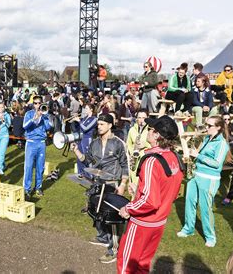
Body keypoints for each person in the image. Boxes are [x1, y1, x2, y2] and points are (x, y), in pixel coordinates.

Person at [117, 115, 184, 273]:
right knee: (143, 265)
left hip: (142, 223)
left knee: (126, 265)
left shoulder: (152, 161)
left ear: (157, 135)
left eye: (151, 129)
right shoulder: (175, 157)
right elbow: (170, 192)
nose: (147, 131)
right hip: (159, 223)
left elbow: (150, 201)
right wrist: (140, 189)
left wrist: (129, 208)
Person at [70, 113, 128, 264]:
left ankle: (114, 249)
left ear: (110, 125)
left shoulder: (118, 143)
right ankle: (102, 237)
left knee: (112, 218)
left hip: (112, 183)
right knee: (96, 213)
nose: (99, 126)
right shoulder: (94, 143)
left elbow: (124, 165)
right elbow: (87, 160)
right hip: (98, 182)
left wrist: (122, 184)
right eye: (98, 124)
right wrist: (76, 151)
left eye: (102, 124)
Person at [177, 116, 232, 247]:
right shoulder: (207, 138)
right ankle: (188, 229)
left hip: (209, 179)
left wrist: (198, 155)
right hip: (195, 175)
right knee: (189, 202)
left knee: (205, 208)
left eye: (209, 126)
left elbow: (217, 164)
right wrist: (193, 156)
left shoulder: (222, 143)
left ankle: (210, 236)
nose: (206, 128)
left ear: (218, 127)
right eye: (206, 125)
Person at [23, 95, 53, 197]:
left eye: (39, 103)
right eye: (35, 103)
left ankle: (38, 187)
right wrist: (34, 119)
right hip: (31, 143)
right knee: (29, 166)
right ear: (33, 104)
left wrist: (47, 116)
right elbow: (24, 126)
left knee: (40, 167)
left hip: (41, 143)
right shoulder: (29, 113)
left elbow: (49, 127)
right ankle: (27, 189)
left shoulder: (45, 114)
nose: (37, 105)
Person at [73, 103, 98, 179]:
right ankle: (81, 172)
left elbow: (85, 128)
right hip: (81, 139)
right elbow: (79, 128)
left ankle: (90, 175)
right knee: (79, 156)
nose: (85, 110)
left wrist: (79, 121)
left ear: (91, 110)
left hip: (88, 139)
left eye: (87, 108)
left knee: (87, 157)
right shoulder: (85, 118)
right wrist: (75, 121)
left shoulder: (94, 119)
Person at [126, 109, 151, 183]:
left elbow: (156, 145)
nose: (141, 120)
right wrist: (132, 153)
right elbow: (129, 144)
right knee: (133, 182)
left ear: (148, 118)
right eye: (139, 118)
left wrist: (145, 145)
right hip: (134, 160)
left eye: (143, 118)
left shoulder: (151, 130)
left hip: (145, 159)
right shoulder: (132, 130)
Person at [0, 102, 12, 175]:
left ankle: (0, 168)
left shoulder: (7, 115)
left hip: (4, 136)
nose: (1, 108)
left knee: (2, 153)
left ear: (4, 108)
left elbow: (9, 125)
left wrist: (4, 120)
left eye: (2, 107)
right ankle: (3, 164)